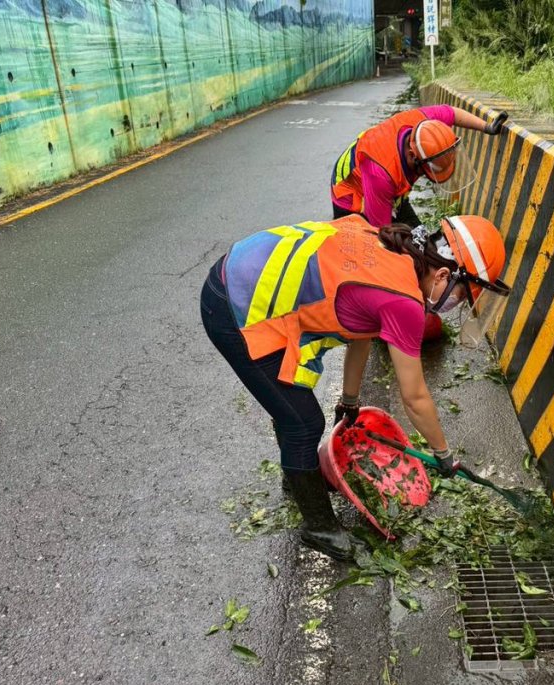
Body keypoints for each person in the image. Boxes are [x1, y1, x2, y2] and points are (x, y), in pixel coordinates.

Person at [200, 213, 510, 561]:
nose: (456, 304)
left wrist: (349, 401)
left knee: (291, 406)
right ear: (441, 275)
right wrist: (444, 457)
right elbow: (415, 396)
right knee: (302, 422)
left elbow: (361, 334)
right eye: (460, 295)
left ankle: (298, 477)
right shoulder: (404, 300)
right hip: (234, 307)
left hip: (234, 275)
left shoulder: (392, 247)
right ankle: (319, 528)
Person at [330, 105, 508, 229]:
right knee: (363, 251)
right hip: (350, 194)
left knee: (419, 240)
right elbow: (381, 235)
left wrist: (487, 127)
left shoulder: (425, 126)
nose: (422, 176)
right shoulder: (382, 174)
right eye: (425, 172)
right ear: (413, 156)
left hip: (390, 189)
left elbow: (452, 113)